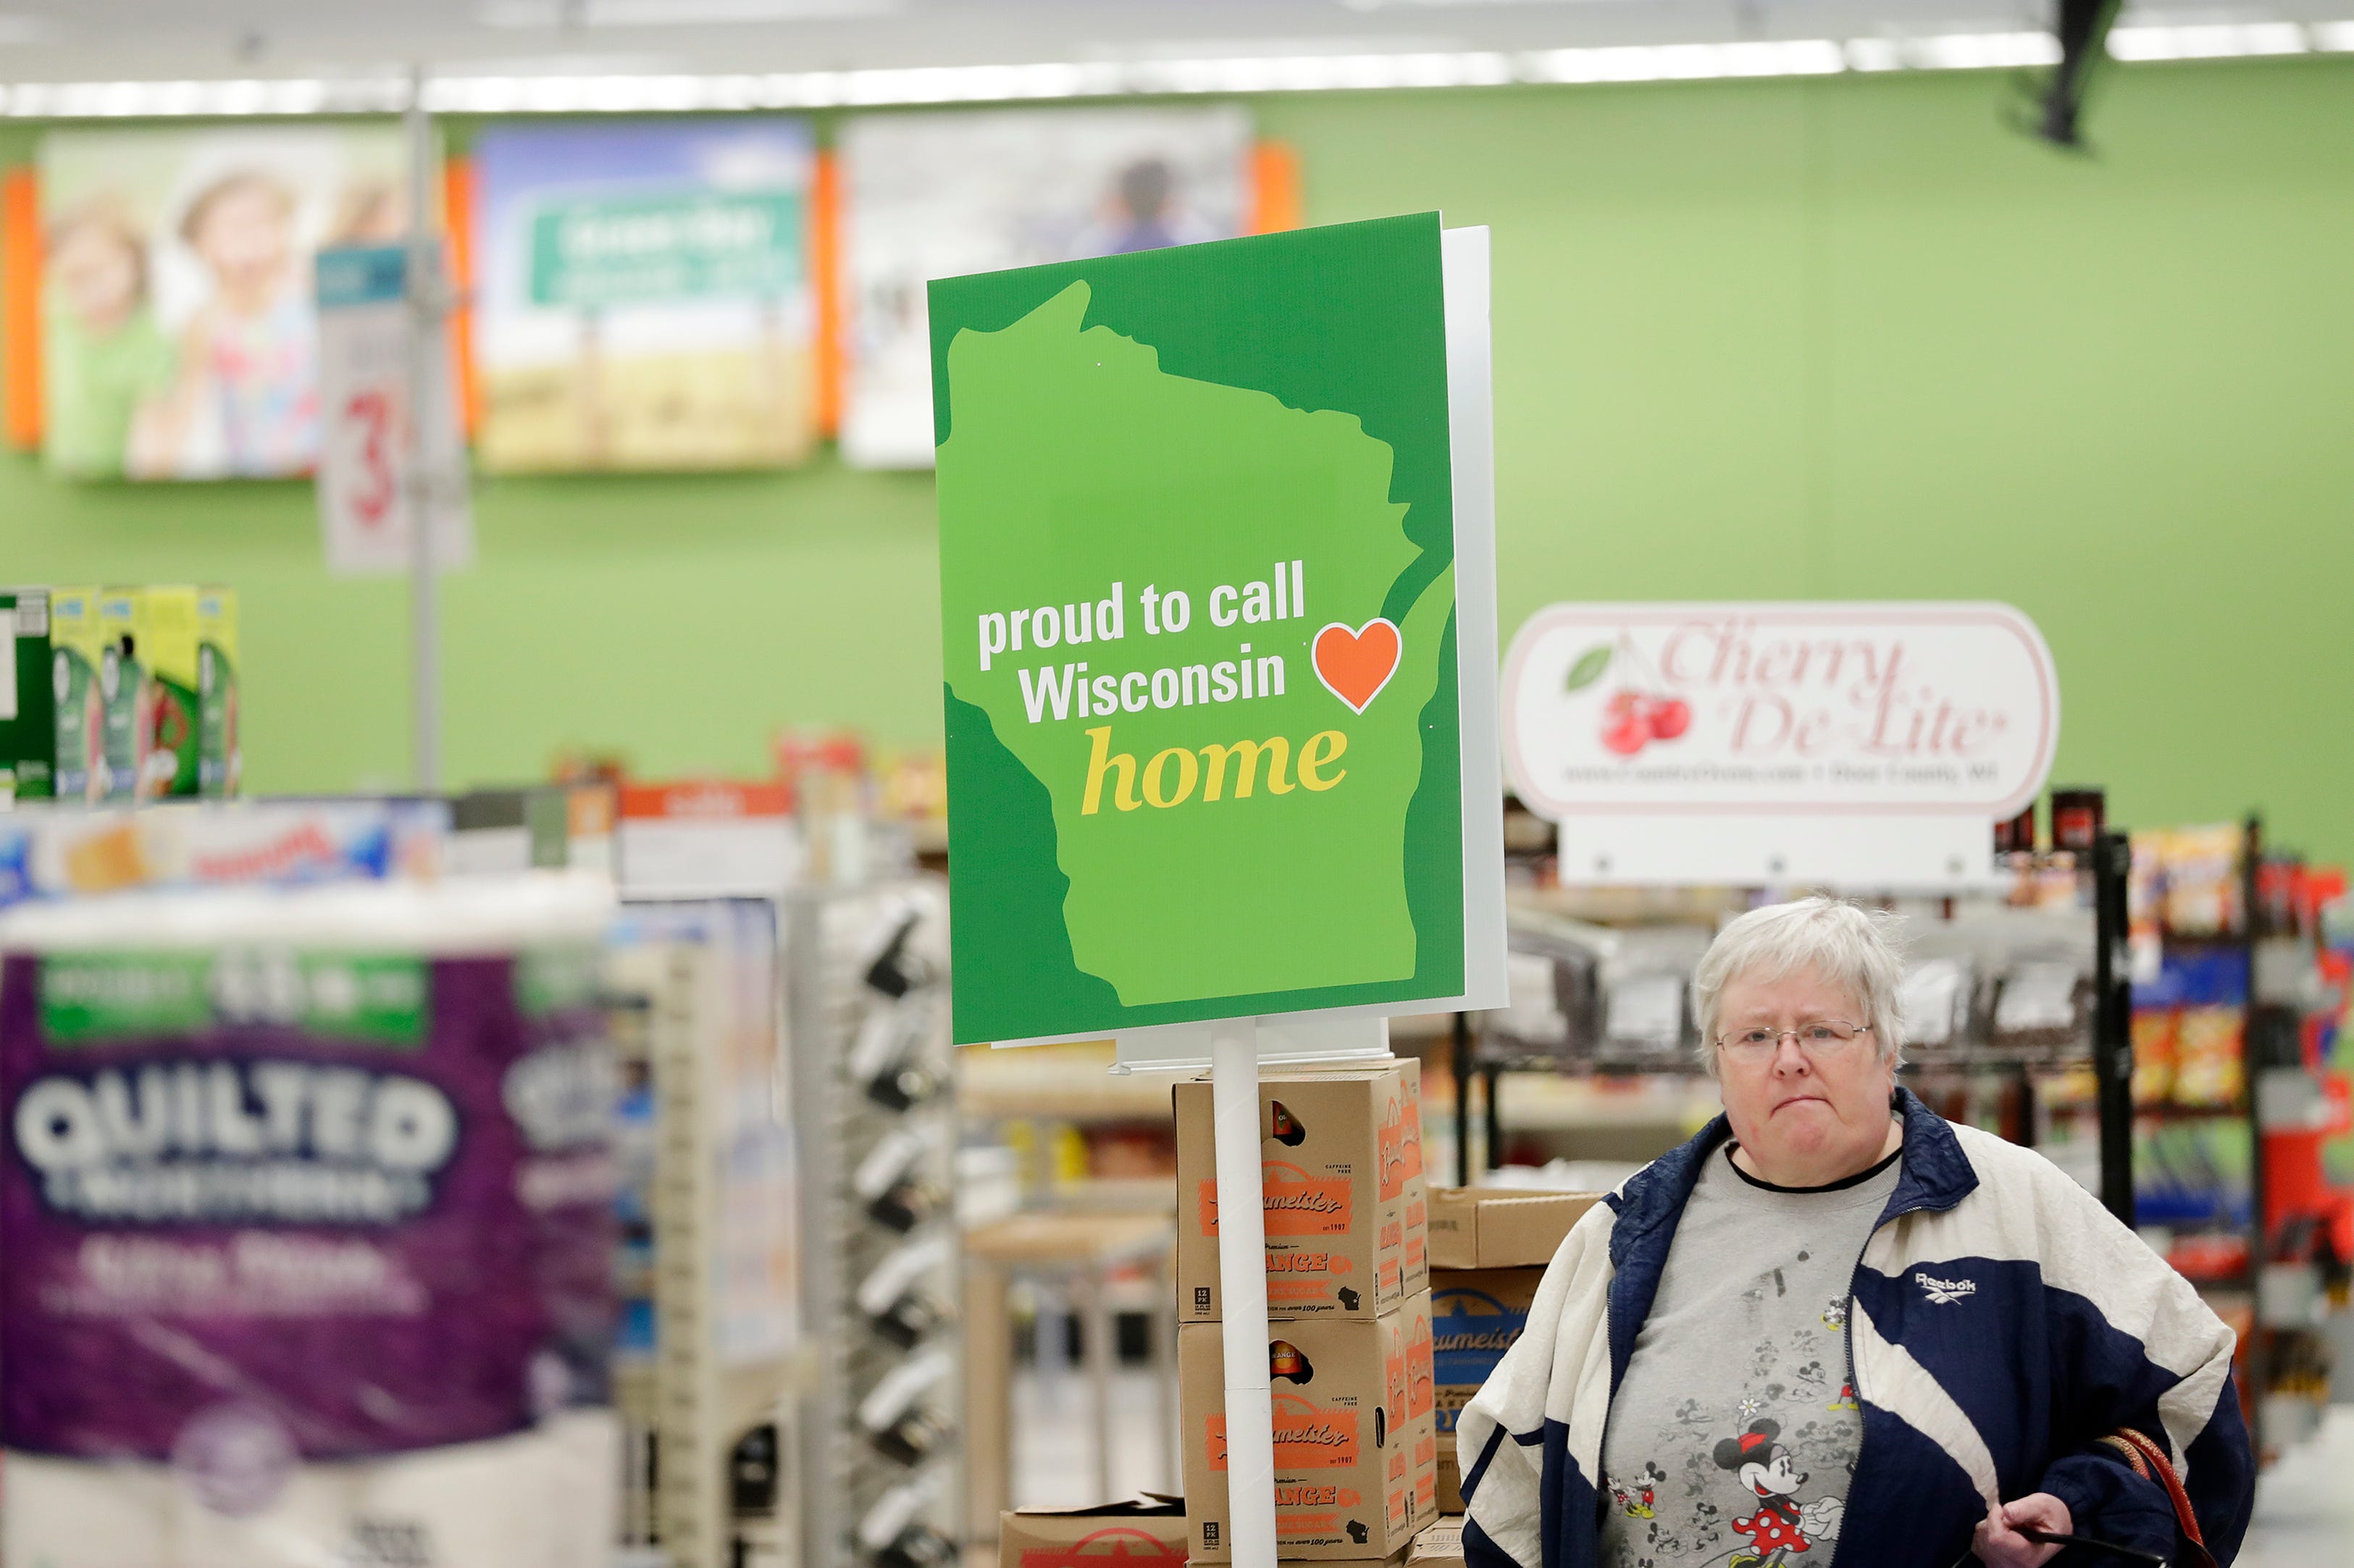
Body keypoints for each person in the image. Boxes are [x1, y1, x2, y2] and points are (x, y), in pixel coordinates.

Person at [1457, 897, 2253, 1568]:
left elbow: (2189, 1390)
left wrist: (2080, 1503)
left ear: (1888, 1046)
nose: (1789, 1059)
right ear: (1716, 1060)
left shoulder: (2011, 1203)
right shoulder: (1625, 1230)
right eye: (1755, 1035)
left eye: (1825, 1030)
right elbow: (1512, 1479)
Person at [129, 168, 318, 477]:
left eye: (265, 223)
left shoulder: (309, 293)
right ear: (201, 246)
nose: (251, 240)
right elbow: (180, 410)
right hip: (253, 474)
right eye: (234, 229)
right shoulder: (205, 323)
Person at [42, 201, 175, 477]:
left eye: (101, 271)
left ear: (133, 262)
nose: (91, 288)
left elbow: (151, 439)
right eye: (75, 277)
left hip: (109, 483)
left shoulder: (153, 342)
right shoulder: (56, 318)